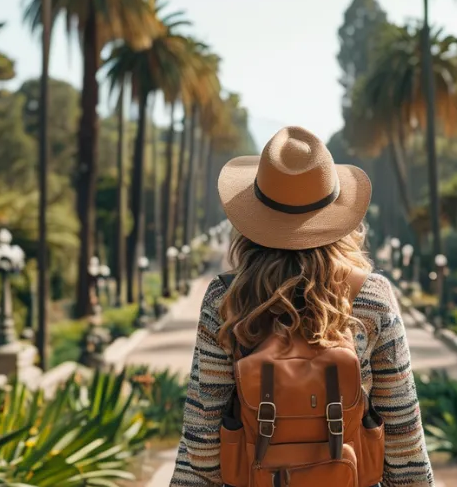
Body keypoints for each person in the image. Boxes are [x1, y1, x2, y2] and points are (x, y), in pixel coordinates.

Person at [170, 126, 435, 487]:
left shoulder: (226, 299)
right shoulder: (371, 296)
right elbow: (405, 441)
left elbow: (201, 446)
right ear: (336, 213)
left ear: (253, 216)